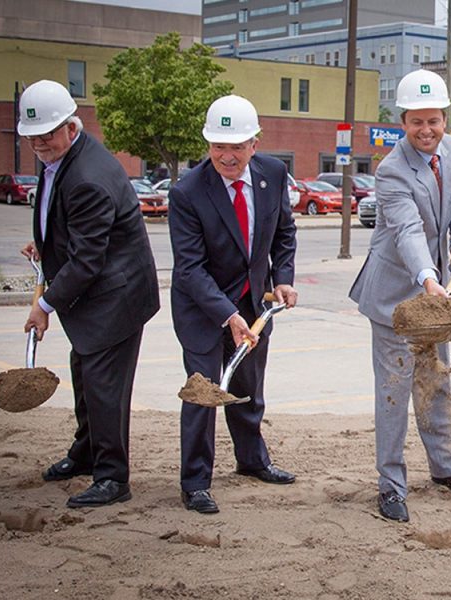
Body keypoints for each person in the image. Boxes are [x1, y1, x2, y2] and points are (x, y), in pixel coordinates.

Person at [349, 69, 451, 523]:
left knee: (436, 383)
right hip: (395, 299)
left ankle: (447, 470)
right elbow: (407, 231)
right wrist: (429, 278)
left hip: (435, 295)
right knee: (393, 392)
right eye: (416, 122)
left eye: (434, 121)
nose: (426, 131)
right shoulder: (390, 170)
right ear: (402, 121)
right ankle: (391, 486)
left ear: (446, 118)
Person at [18, 80, 160, 508]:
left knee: (104, 389)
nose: (40, 143)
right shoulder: (61, 158)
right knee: (85, 376)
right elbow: (64, 223)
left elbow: (86, 262)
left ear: (71, 127)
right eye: (33, 137)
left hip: (114, 297)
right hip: (95, 294)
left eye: (48, 134)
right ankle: (85, 453)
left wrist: (43, 305)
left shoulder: (87, 178)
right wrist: (46, 245)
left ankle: (113, 477)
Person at [168, 95, 298, 515]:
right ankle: (195, 482)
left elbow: (284, 233)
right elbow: (189, 269)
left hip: (253, 303)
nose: (227, 156)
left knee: (247, 388)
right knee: (204, 392)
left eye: (236, 146)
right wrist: (228, 315)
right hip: (203, 309)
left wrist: (283, 280)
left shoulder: (274, 174)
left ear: (254, 144)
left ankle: (252, 460)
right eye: (218, 146)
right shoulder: (187, 192)